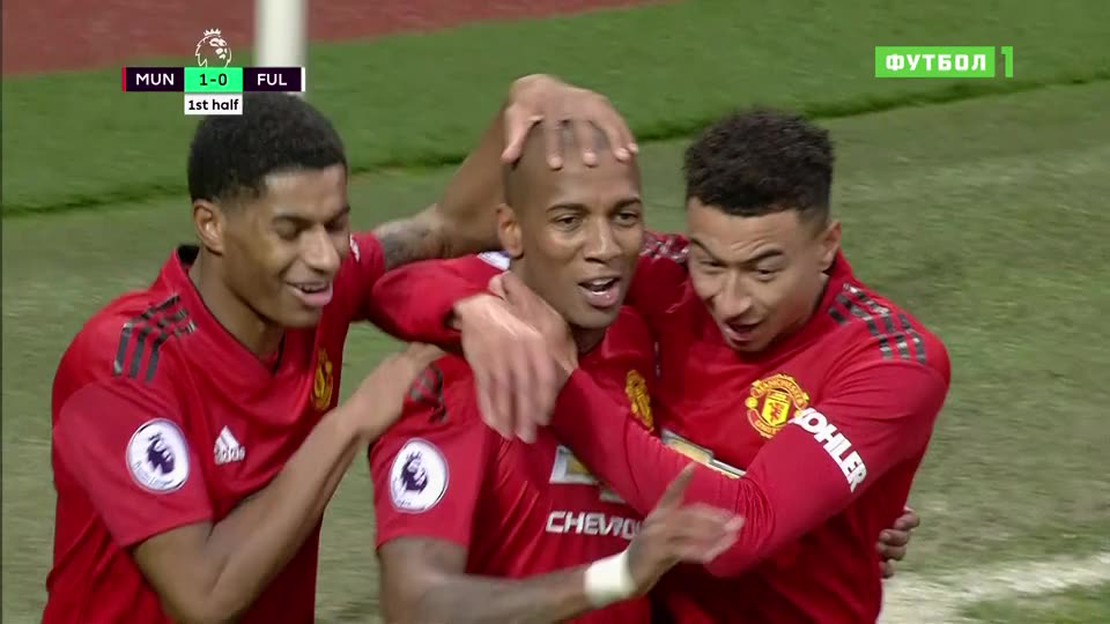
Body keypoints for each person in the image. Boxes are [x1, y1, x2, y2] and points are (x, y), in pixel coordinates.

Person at [43, 77, 638, 624]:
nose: (324, 257)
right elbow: (204, 595)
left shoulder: (311, 293)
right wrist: (351, 422)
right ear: (212, 225)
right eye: (290, 231)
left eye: (335, 225)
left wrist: (527, 102)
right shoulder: (123, 366)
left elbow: (446, 228)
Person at [370, 85, 945, 622]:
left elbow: (745, 531)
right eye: (710, 262)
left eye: (764, 271)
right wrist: (469, 309)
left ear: (826, 246)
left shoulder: (891, 359)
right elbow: (395, 279)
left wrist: (564, 388)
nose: (730, 301)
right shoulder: (658, 278)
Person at [368, 124, 740, 624]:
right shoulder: (458, 376)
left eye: (625, 216)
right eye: (569, 220)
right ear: (512, 230)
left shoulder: (636, 337)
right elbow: (415, 606)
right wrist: (618, 577)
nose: (604, 246)